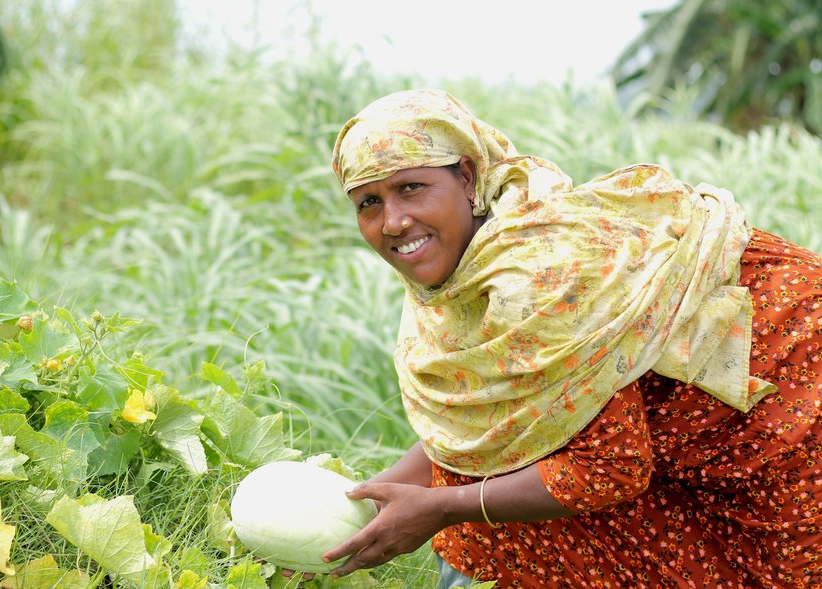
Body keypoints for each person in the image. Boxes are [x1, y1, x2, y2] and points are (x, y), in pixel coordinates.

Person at [318, 88, 820, 588]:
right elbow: (491, 424)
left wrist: (444, 508)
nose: (394, 221)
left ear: (467, 177)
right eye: (368, 202)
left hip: (791, 395)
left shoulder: (535, 274)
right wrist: (349, 512)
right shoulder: (464, 271)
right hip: (698, 433)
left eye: (411, 188)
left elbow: (610, 468)